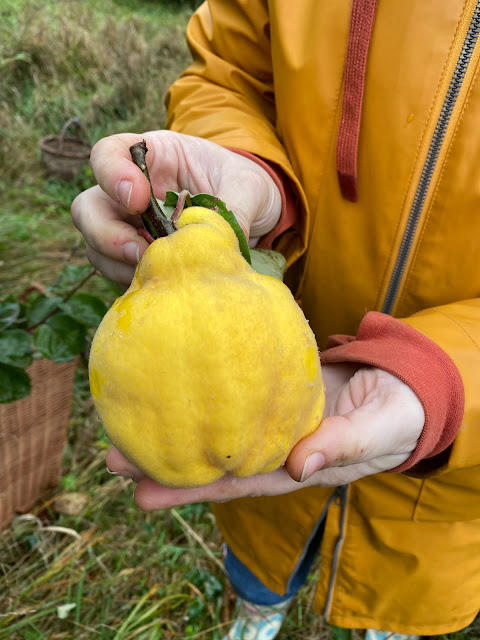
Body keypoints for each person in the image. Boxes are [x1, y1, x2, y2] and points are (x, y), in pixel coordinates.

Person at [71, 1, 480, 638]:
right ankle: (258, 611)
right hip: (281, 404)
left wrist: (446, 379)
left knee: (401, 605)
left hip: (450, 484)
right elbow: (226, 71)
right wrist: (251, 179)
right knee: (261, 564)